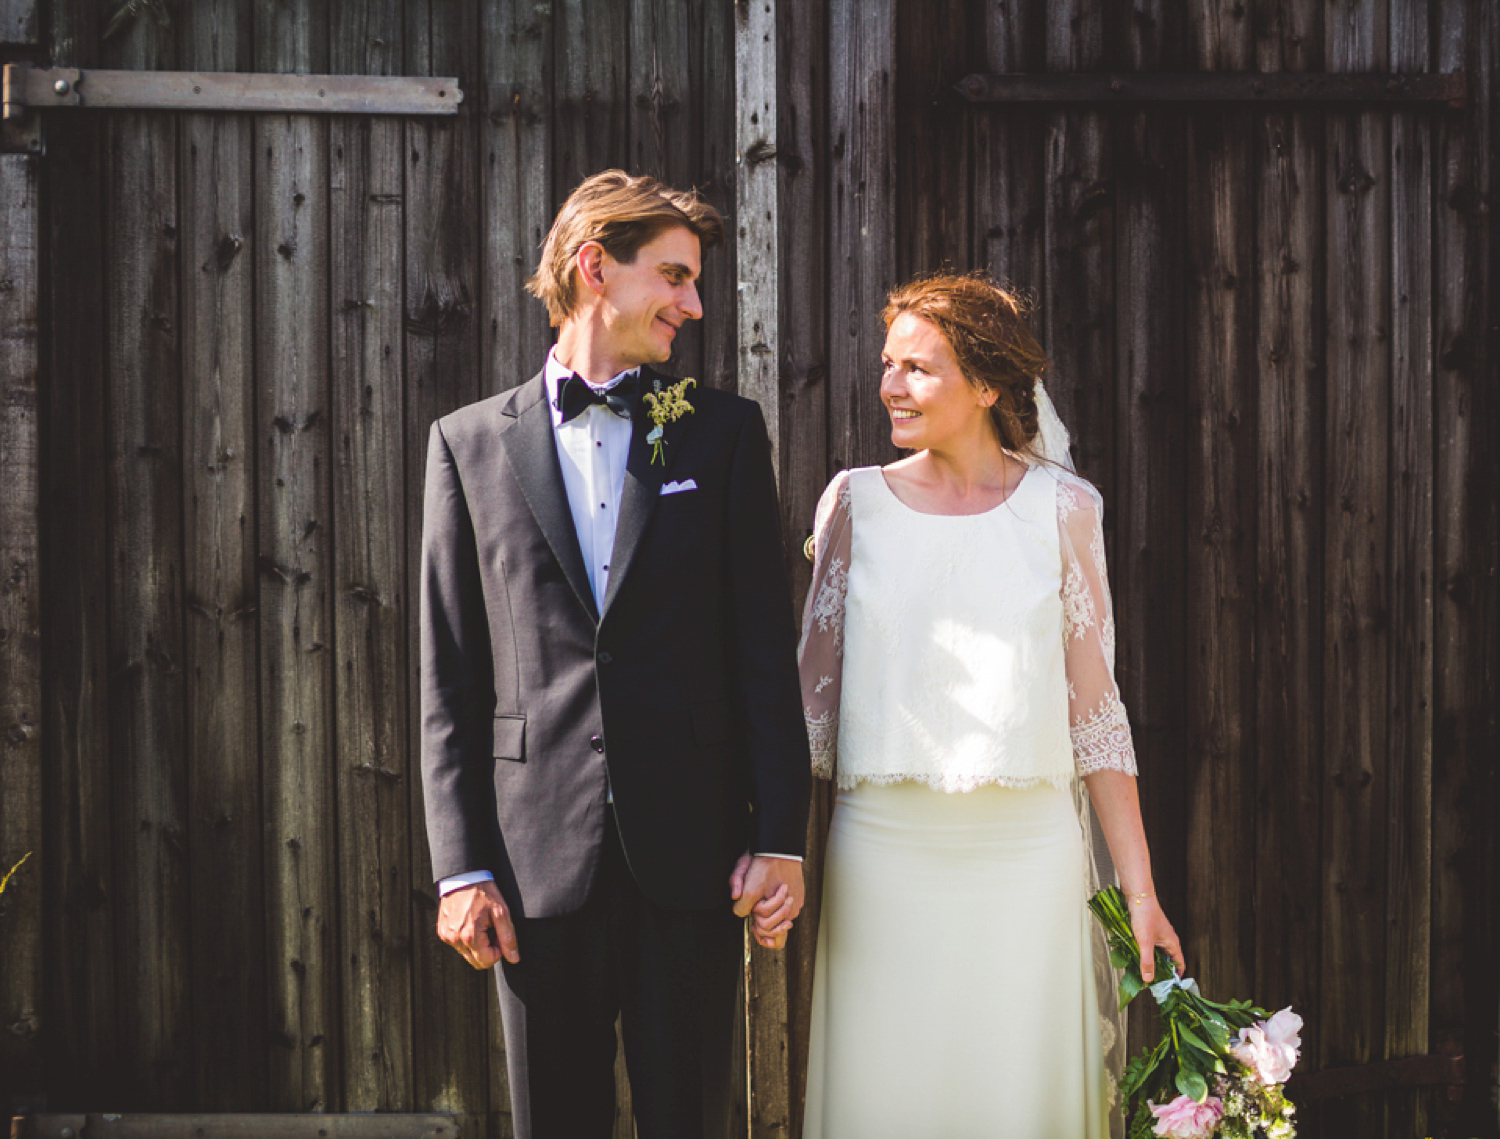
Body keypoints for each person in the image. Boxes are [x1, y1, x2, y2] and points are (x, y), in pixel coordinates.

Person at [419, 170, 810, 1139]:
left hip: (689, 850)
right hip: (530, 860)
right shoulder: (466, 445)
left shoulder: (721, 434)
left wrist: (781, 833)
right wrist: (459, 866)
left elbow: (763, 644)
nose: (694, 303)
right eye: (674, 277)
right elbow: (449, 672)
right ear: (595, 267)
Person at [796, 273, 1184, 1138]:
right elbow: (808, 707)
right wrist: (769, 847)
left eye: (919, 369)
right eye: (889, 365)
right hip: (885, 855)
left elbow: (1095, 712)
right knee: (892, 1091)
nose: (891, 386)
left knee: (1017, 1093)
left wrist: (1140, 889)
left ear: (990, 386)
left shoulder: (1066, 508)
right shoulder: (853, 503)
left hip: (1027, 860)